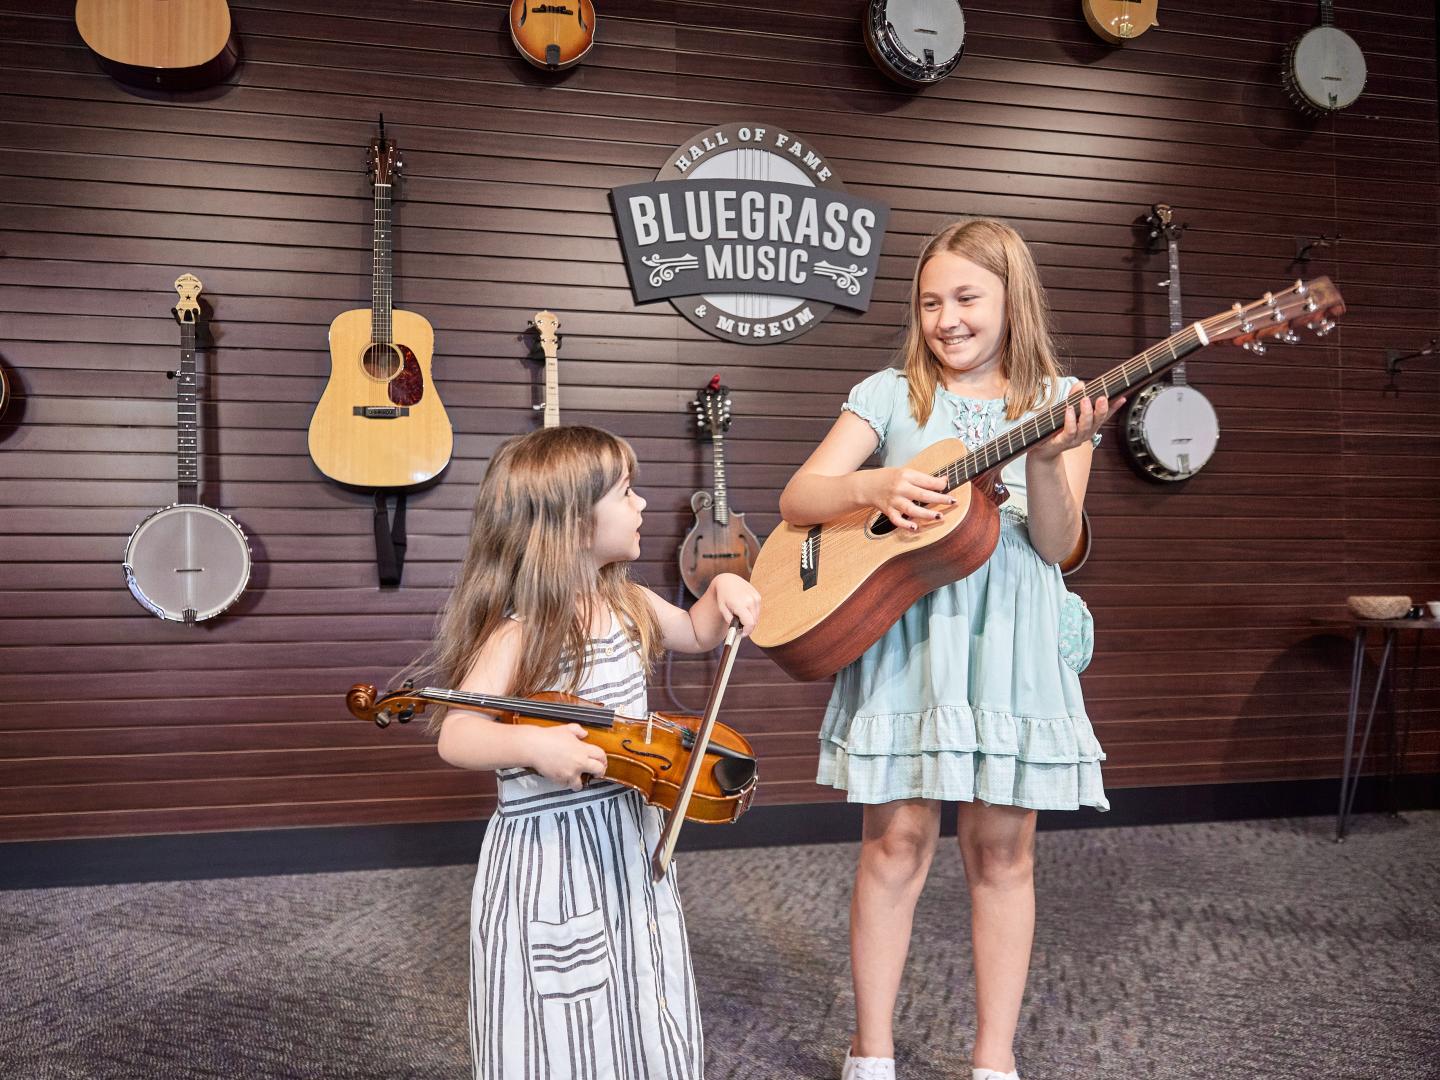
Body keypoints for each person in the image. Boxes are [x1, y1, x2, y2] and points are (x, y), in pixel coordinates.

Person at [777, 218, 1120, 1080]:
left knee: (1002, 850)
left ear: (1013, 299)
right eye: (931, 301)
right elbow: (799, 497)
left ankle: (993, 1062)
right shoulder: (891, 395)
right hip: (907, 631)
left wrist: (1049, 459)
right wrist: (878, 482)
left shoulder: (1062, 397)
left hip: (1011, 639)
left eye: (967, 297)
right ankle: (873, 1054)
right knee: (894, 841)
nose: (948, 318)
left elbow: (1054, 543)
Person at [422, 424, 760, 1080]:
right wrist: (528, 743)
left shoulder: (626, 602)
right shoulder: (522, 632)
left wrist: (720, 595)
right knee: (564, 1002)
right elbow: (458, 735)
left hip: (625, 833)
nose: (642, 505)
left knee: (635, 974)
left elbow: (695, 633)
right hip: (552, 854)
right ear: (574, 525)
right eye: (626, 493)